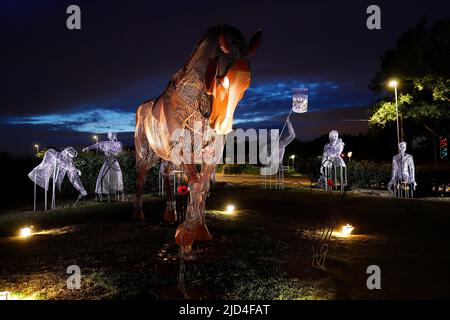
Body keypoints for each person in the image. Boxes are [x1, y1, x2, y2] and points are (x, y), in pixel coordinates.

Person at [83, 132, 123, 198]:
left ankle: (116, 191)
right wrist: (87, 148)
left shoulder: (118, 143)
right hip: (107, 161)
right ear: (108, 136)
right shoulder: (105, 143)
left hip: (114, 161)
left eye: (112, 135)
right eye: (109, 135)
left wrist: (109, 150)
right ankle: (105, 192)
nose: (111, 136)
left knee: (115, 175)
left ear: (114, 135)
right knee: (104, 175)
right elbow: (96, 145)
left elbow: (118, 152)